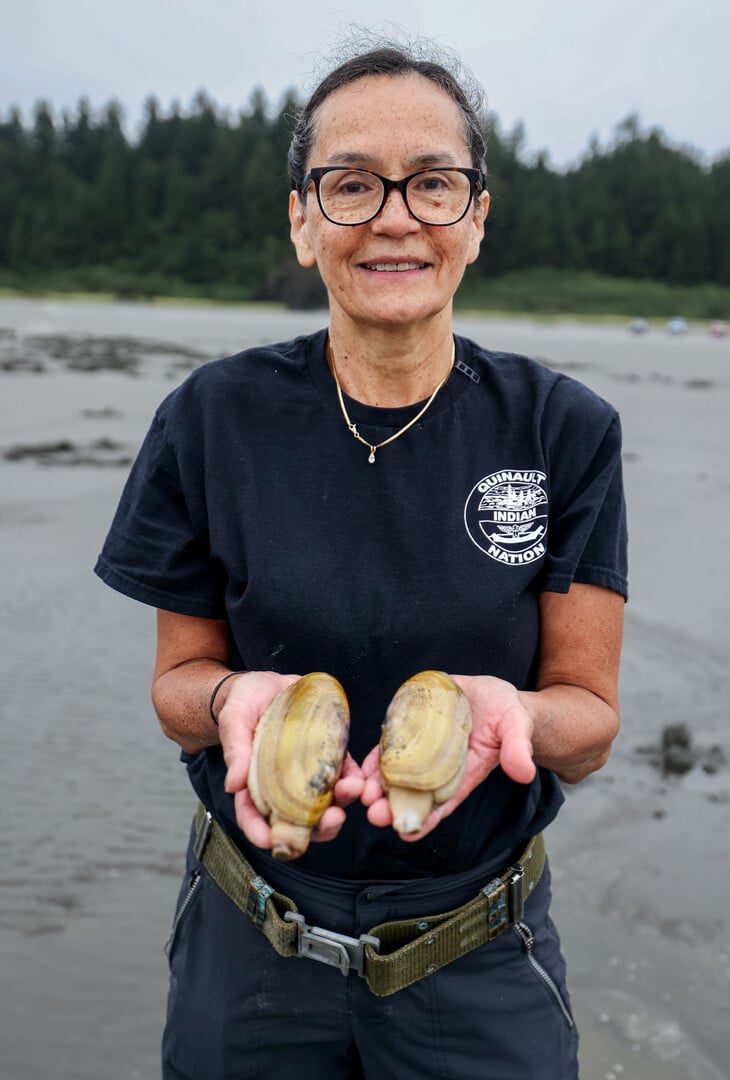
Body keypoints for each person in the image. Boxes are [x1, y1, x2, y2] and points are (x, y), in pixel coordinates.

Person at [94, 38, 627, 1080]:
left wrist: (513, 717)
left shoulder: (564, 429)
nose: (393, 215)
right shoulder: (211, 420)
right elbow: (176, 687)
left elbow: (590, 721)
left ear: (476, 217)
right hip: (248, 941)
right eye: (350, 184)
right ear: (302, 219)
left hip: (477, 948)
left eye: (433, 183)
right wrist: (230, 700)